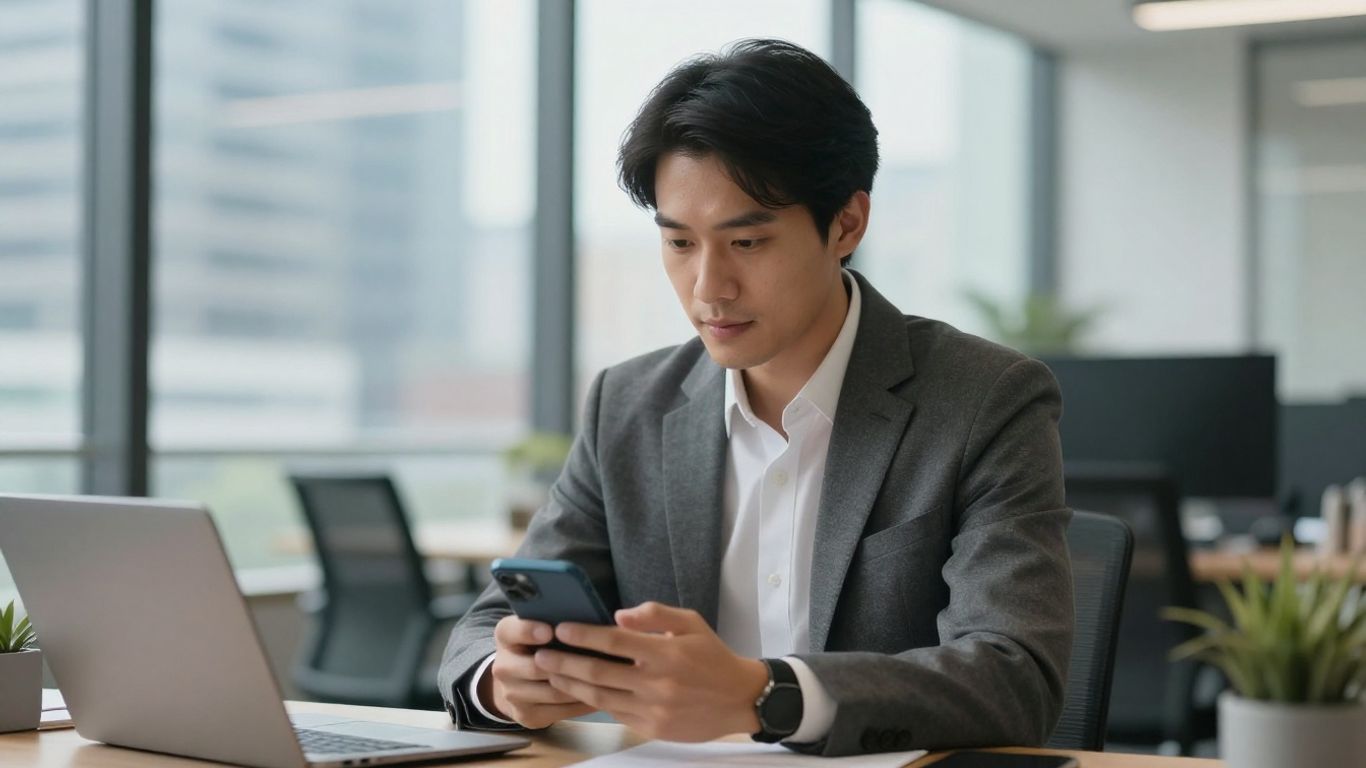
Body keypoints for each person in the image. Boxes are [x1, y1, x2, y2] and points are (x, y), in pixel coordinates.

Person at [439, 38, 1072, 756]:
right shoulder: (629, 404)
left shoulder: (986, 400)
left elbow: (1016, 676)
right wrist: (506, 679)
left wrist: (763, 695)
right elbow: (480, 633)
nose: (709, 288)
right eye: (680, 244)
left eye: (746, 244)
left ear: (847, 224)